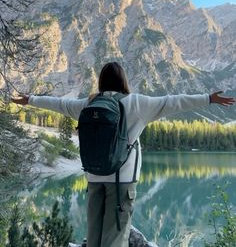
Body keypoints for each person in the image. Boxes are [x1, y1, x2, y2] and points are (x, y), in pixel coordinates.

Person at [11, 62, 235, 247]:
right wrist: (208, 98)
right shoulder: (137, 103)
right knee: (115, 240)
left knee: (95, 240)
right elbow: (173, 101)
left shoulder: (88, 103)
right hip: (122, 184)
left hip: (94, 180)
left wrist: (30, 99)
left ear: (101, 82)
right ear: (123, 81)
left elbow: (59, 103)